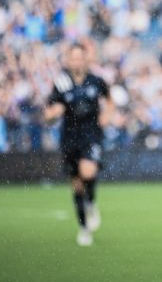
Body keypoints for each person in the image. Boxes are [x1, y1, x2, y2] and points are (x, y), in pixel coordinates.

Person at [45, 43, 112, 246]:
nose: (76, 61)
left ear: (86, 59)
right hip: (69, 138)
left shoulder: (96, 81)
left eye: (80, 57)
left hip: (91, 135)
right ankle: (84, 228)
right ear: (68, 60)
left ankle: (91, 203)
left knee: (88, 172)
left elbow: (109, 100)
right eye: (73, 58)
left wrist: (107, 116)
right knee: (76, 184)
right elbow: (48, 112)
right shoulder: (61, 82)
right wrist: (52, 114)